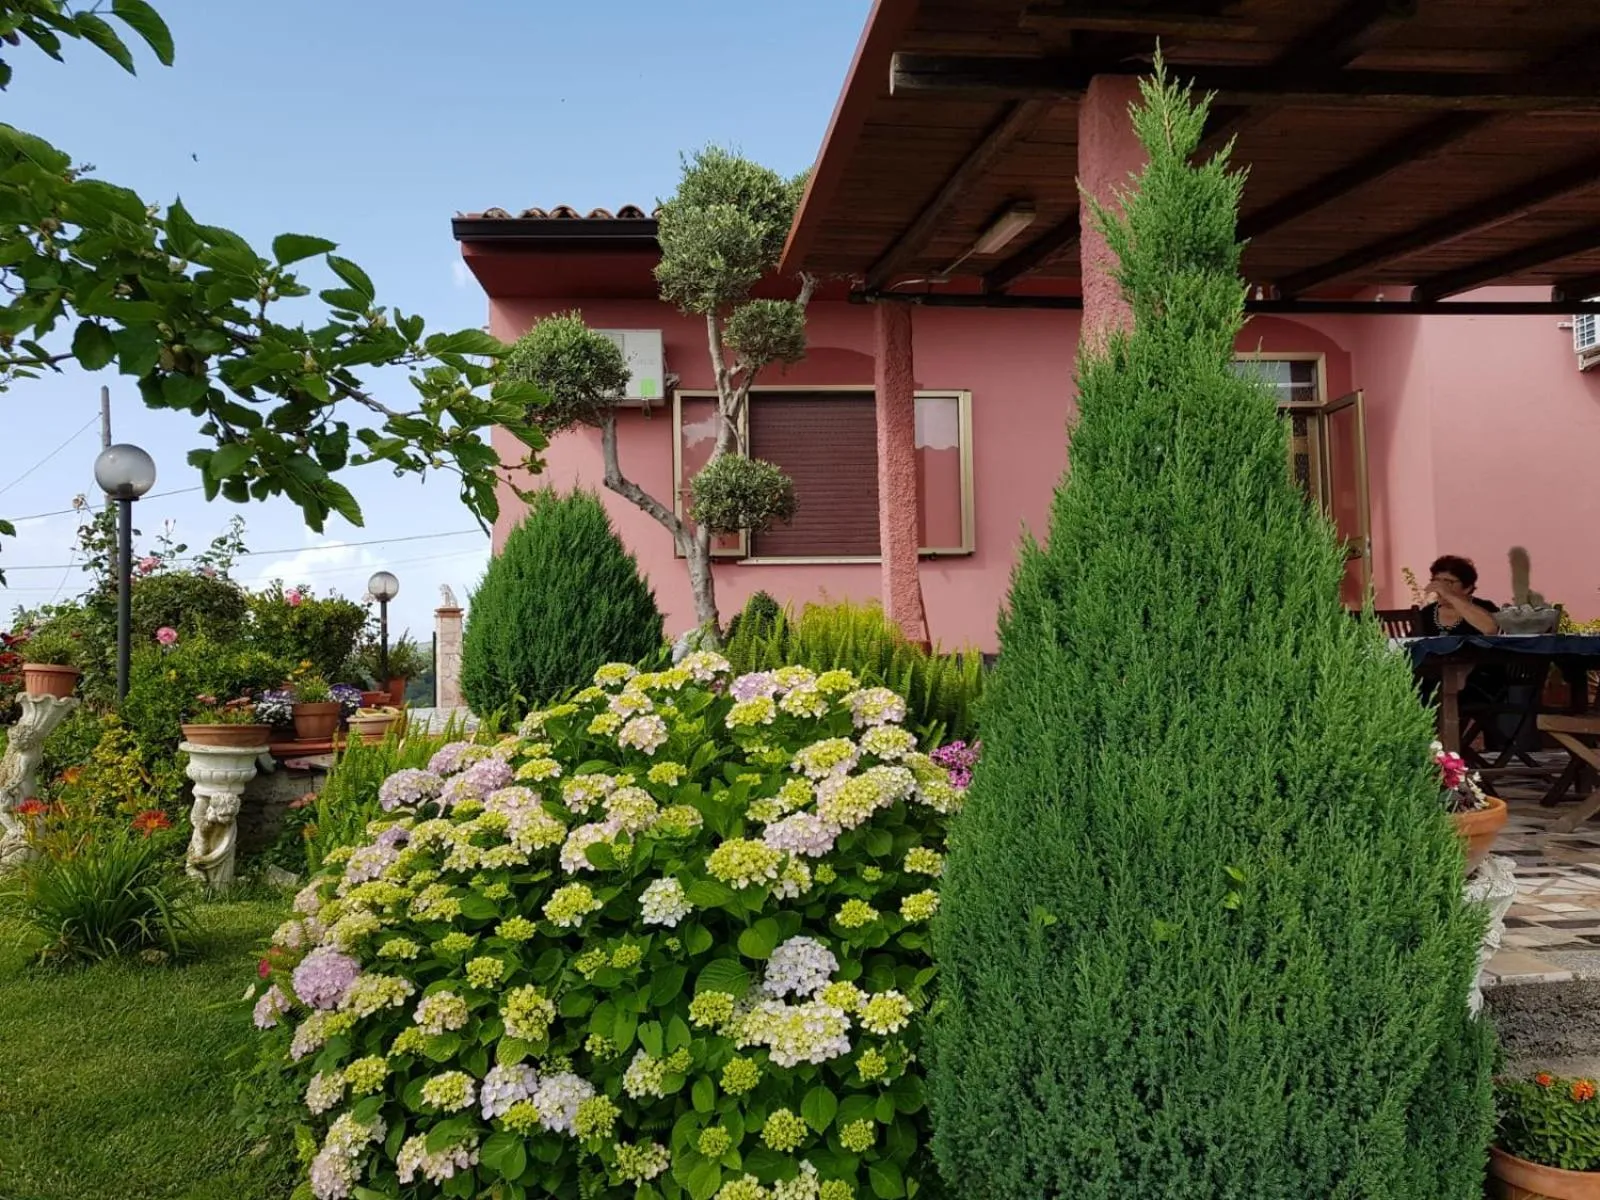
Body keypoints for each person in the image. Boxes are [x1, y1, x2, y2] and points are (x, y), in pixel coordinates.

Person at [1419, 555, 1500, 637]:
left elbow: (1491, 630)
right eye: (1437, 581)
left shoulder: (1484, 606)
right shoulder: (1427, 612)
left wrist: (1449, 595)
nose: (1441, 587)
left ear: (1467, 588)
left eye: (1448, 582)